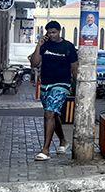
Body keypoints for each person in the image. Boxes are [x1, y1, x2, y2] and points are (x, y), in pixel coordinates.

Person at [29, 20, 78, 161]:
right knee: (53, 114)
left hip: (61, 84)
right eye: (49, 33)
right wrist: (39, 46)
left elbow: (74, 67)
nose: (51, 35)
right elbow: (34, 63)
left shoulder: (68, 46)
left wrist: (76, 86)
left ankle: (45, 150)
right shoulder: (45, 46)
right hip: (46, 85)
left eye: (54, 32)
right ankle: (63, 141)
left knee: (49, 113)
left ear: (59, 31)